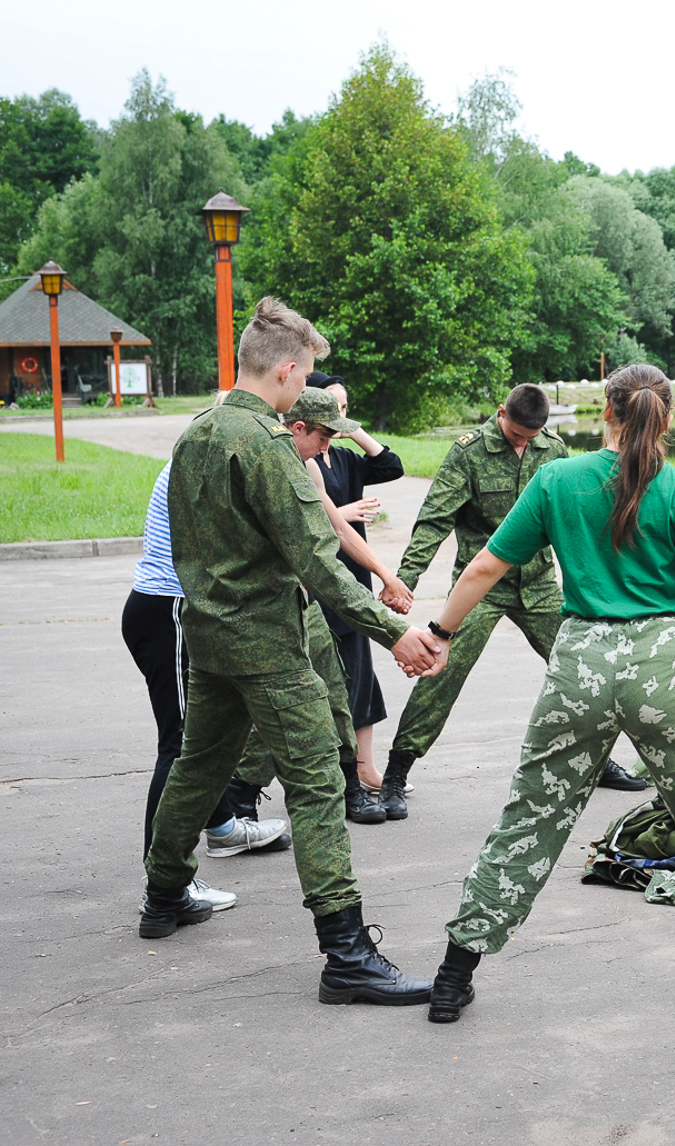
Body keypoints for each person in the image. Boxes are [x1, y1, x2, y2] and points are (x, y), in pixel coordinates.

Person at [422, 364, 675, 1029]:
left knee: (529, 819)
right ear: (666, 419)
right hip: (662, 667)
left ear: (606, 414)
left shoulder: (557, 479)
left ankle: (451, 977)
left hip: (579, 659)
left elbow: (485, 566)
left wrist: (440, 632)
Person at [140, 297, 443, 1008]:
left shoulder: (197, 435)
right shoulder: (267, 445)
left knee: (199, 766)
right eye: (303, 372)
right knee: (315, 785)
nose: (302, 382)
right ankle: (346, 954)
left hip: (207, 636)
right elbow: (318, 560)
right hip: (267, 645)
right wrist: (394, 629)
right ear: (286, 370)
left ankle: (162, 894)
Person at [380, 383, 647, 820]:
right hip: (482, 586)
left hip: (539, 584)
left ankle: (598, 762)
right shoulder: (468, 452)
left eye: (532, 437)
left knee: (587, 670)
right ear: (502, 412)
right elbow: (434, 520)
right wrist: (404, 579)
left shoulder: (553, 449)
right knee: (440, 674)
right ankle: (396, 772)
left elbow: (576, 515)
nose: (524, 443)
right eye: (518, 434)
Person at [227, 387, 417, 827]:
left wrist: (388, 577)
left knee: (336, 692)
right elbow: (320, 550)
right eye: (325, 437)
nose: (329, 449)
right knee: (272, 709)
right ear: (298, 428)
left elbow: (338, 532)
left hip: (306, 599)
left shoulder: (308, 464)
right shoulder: (268, 461)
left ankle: (348, 786)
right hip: (262, 605)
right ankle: (237, 797)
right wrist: (391, 628)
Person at [121, 461, 292, 915]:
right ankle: (166, 886)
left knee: (207, 733)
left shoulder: (205, 459)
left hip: (170, 609)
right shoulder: (203, 467)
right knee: (180, 748)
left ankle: (220, 827)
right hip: (170, 610)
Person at [309, 375, 405, 795]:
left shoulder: (344, 457)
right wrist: (341, 514)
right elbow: (318, 518)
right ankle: (344, 775)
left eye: (344, 407)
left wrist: (353, 428)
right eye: (331, 407)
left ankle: (366, 770)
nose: (339, 416)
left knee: (363, 676)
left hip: (356, 576)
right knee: (335, 681)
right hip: (323, 581)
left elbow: (391, 465)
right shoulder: (300, 459)